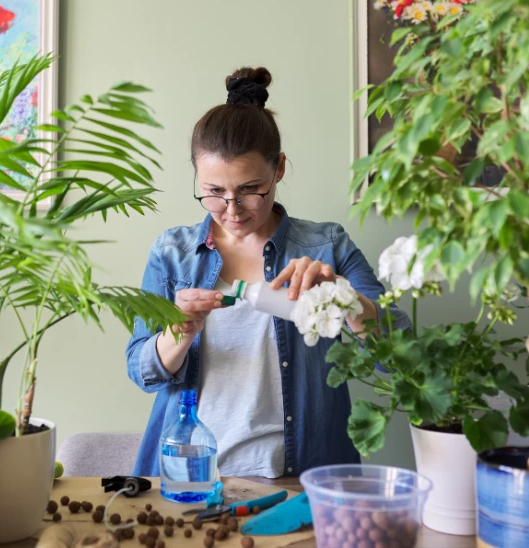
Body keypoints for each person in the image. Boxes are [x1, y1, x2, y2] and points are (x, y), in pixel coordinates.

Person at [125, 66, 410, 478]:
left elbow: (402, 361)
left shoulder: (327, 247)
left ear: (278, 168)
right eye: (213, 192)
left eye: (249, 190)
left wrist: (343, 296)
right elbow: (141, 371)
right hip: (190, 475)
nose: (232, 209)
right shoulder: (173, 254)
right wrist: (179, 332)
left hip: (305, 477)